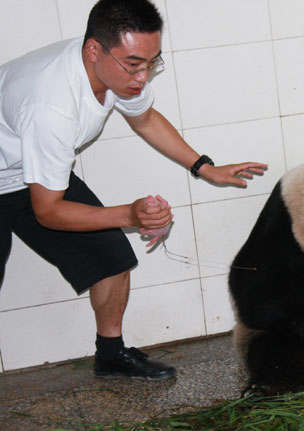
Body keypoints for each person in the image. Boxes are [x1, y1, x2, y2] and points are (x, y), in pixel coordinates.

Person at [0, 0, 267, 380]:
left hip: (25, 169)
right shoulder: (52, 105)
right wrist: (128, 214)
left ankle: (110, 356)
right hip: (23, 176)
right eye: (133, 65)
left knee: (110, 258)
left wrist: (205, 168)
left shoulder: (115, 72)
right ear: (95, 50)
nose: (142, 77)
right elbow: (48, 211)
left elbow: (144, 119)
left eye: (151, 62)